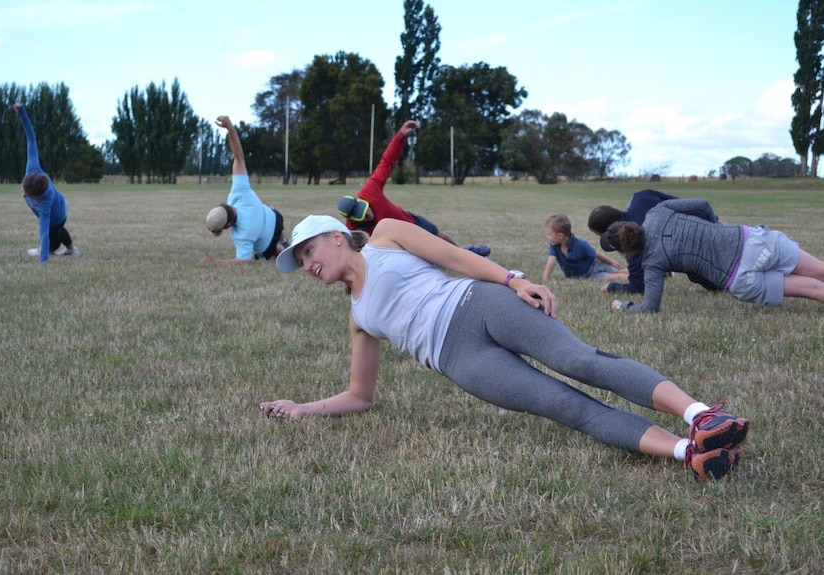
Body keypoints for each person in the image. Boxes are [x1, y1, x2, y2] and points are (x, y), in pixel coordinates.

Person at [262, 213, 751, 481]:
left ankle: (702, 415)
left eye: (307, 251)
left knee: (577, 360)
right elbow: (360, 396)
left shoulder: (386, 236)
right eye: (299, 260)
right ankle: (690, 453)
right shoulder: (358, 318)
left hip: (479, 303)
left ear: (336, 237)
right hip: (461, 361)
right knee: (566, 408)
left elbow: (454, 257)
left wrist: (513, 280)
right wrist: (303, 408)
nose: (306, 264)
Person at [605, 197, 824, 312]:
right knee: (820, 270)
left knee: (814, 289)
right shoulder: (658, 211)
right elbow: (702, 205)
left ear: (626, 251)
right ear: (629, 222)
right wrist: (715, 227)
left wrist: (622, 306)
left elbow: (650, 308)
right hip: (754, 243)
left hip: (739, 279)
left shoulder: (652, 265)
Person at [336, 119, 491, 257]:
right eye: (361, 216)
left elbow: (387, 162)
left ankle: (466, 253)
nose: (368, 214)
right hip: (398, 245)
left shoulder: (369, 191)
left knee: (440, 237)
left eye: (365, 209)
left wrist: (401, 137)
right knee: (434, 255)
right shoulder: (352, 230)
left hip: (410, 221)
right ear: (353, 219)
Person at [588, 189, 719, 293]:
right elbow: (687, 206)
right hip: (711, 229)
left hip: (701, 257)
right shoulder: (642, 197)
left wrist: (611, 287)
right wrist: (716, 223)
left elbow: (638, 287)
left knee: (696, 274)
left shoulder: (635, 246)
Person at [202, 115, 289, 264]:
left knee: (265, 250)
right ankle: (285, 240)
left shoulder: (241, 235)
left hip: (268, 243)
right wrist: (230, 128)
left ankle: (283, 251)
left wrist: (215, 262)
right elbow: (239, 157)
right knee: (271, 219)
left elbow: (243, 260)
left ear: (228, 225)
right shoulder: (239, 192)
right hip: (275, 218)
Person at [13, 102, 80, 262]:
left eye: (26, 194)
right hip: (60, 204)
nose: (23, 195)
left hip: (58, 213)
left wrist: (43, 261)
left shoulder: (45, 202)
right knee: (55, 231)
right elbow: (31, 138)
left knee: (52, 242)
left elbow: (43, 232)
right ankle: (71, 250)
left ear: (37, 197)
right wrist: (22, 111)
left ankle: (58, 249)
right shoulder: (32, 167)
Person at [542, 213, 627, 282]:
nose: (547, 236)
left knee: (618, 270)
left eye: (549, 234)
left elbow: (596, 254)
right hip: (588, 275)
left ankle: (636, 275)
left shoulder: (581, 243)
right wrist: (545, 279)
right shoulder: (554, 245)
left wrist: (612, 262)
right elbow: (551, 262)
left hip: (596, 265)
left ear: (560, 235)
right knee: (613, 277)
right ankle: (630, 276)